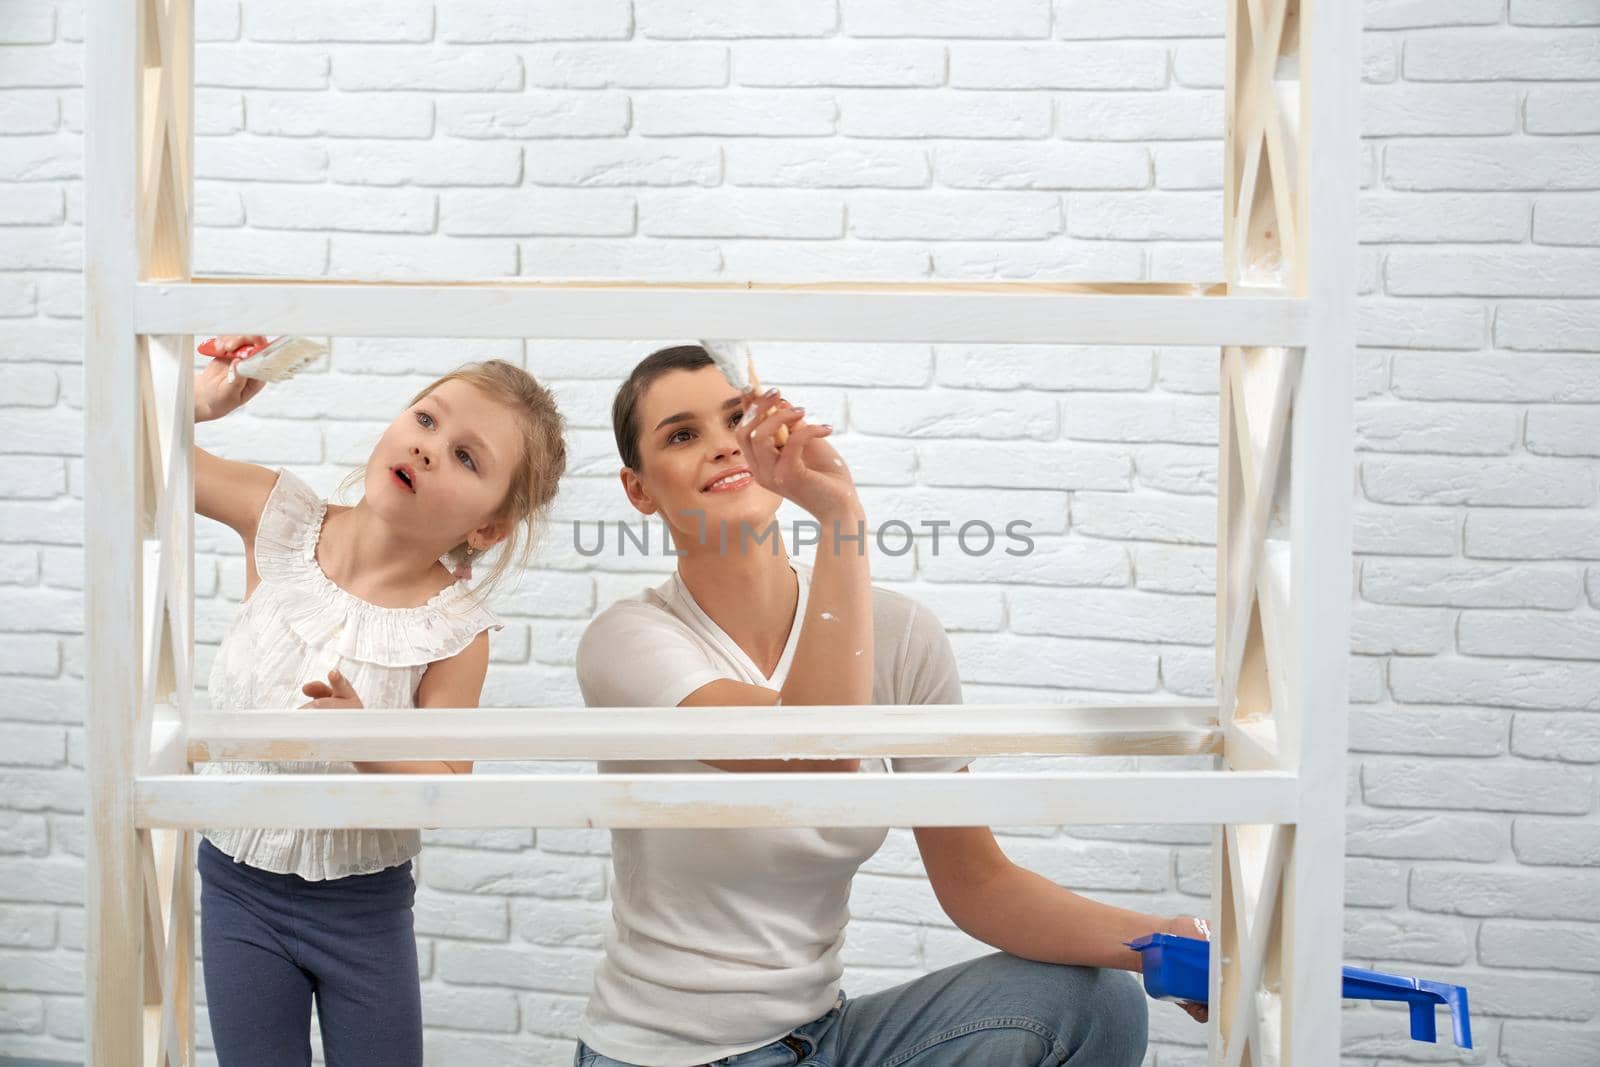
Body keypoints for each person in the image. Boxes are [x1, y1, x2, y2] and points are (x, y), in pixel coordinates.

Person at [570, 345, 1206, 1067]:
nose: (721, 444)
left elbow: (979, 882)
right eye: (682, 435)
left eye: (736, 417)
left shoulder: (901, 634)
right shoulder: (627, 640)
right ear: (638, 489)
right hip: (666, 1057)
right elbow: (817, 748)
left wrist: (1164, 939)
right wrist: (839, 511)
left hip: (825, 1040)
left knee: (1092, 1003)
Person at [192, 336, 567, 1067]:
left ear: (487, 527)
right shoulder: (281, 516)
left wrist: (369, 741)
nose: (429, 448)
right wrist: (197, 405)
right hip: (237, 882)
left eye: (466, 456)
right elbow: (138, 455)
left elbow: (453, 785)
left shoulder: (454, 629)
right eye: (426, 419)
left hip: (362, 909)